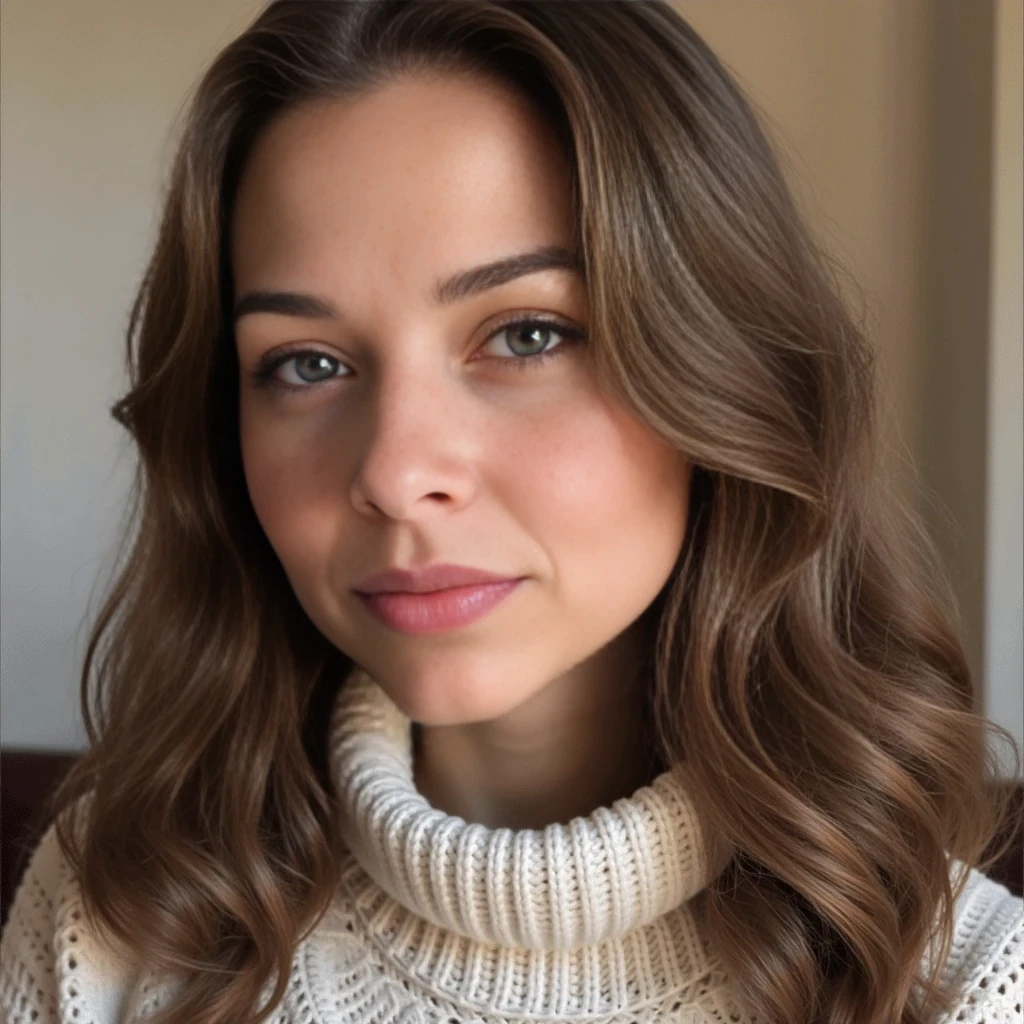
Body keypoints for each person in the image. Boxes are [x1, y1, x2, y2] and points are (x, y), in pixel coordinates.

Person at [1, 1, 1021, 1022]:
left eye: (527, 335)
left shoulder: (960, 982)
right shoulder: (119, 919)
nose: (396, 473)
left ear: (721, 367)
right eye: (306, 364)